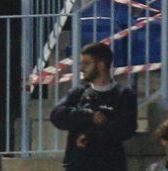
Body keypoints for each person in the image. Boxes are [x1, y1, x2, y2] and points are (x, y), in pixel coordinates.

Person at [48, 42, 136, 171]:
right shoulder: (78, 93)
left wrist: (90, 136)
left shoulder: (123, 95)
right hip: (78, 165)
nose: (82, 68)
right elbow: (57, 115)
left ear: (101, 65)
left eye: (86, 63)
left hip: (109, 165)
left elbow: (126, 128)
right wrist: (88, 115)